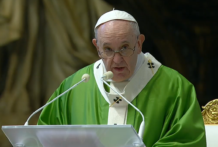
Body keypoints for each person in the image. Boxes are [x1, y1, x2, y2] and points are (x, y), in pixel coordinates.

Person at [38, 10, 206, 147]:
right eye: (108, 49)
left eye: (125, 48)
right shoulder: (75, 85)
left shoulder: (174, 87)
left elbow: (188, 141)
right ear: (97, 47)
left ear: (139, 43)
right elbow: (43, 137)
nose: (117, 60)